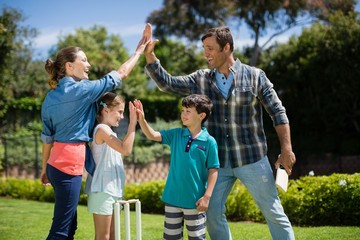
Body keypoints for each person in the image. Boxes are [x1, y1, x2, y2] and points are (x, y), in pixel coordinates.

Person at [143, 25, 296, 240]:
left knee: (273, 212)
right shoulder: (201, 79)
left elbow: (278, 112)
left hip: (252, 158)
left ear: (226, 48)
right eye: (204, 48)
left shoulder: (255, 76)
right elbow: (169, 84)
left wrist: (286, 148)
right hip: (218, 163)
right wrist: (151, 58)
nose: (205, 53)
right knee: (212, 213)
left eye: (210, 48)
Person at [40, 23, 150, 240]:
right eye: (84, 60)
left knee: (68, 226)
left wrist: (44, 168)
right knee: (61, 230)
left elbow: (47, 138)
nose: (88, 64)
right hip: (69, 165)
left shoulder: (49, 98)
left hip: (55, 165)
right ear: (70, 66)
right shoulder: (83, 90)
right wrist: (139, 50)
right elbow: (121, 74)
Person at [134, 94, 220, 240]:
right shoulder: (176, 135)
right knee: (171, 238)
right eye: (183, 110)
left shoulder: (209, 141)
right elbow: (152, 135)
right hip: (172, 199)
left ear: (201, 115)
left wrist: (206, 197)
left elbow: (214, 170)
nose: (183, 114)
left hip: (195, 202)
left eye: (188, 111)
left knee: (197, 238)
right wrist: (141, 119)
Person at [85, 92, 136, 240]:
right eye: (120, 111)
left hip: (113, 191)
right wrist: (133, 123)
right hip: (102, 190)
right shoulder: (102, 129)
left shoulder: (109, 131)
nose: (122, 116)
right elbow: (126, 149)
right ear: (106, 110)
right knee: (103, 237)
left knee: (113, 235)